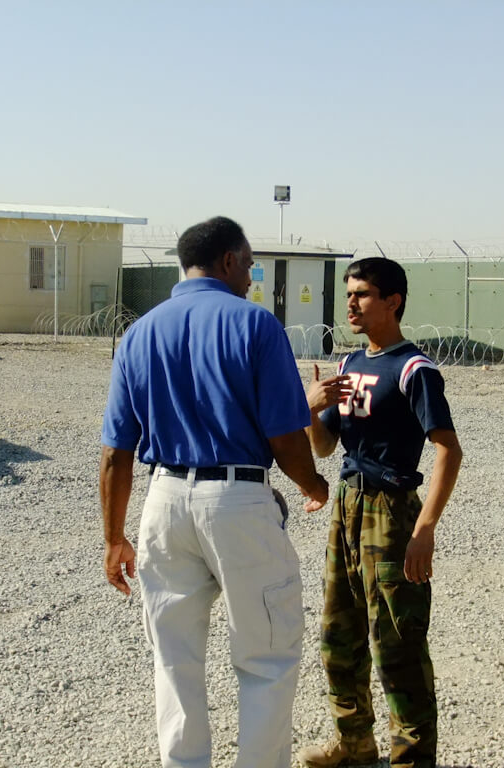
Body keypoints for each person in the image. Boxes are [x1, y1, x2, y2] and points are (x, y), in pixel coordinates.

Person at [99, 216, 329, 768]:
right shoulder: (255, 325)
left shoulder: (140, 333)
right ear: (228, 260)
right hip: (237, 501)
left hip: (163, 501)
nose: (251, 275)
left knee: (173, 659)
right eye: (249, 263)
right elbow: (282, 435)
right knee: (266, 656)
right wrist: (314, 484)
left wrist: (113, 537)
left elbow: (115, 452)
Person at [299, 257, 463, 768]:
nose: (351, 302)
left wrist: (425, 529)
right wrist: (309, 409)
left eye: (363, 293)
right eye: (349, 293)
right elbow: (326, 447)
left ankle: (412, 759)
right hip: (347, 505)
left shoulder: (414, 369)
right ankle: (355, 745)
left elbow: (448, 450)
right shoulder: (349, 366)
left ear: (392, 301)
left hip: (391, 511)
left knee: (397, 644)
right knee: (339, 635)